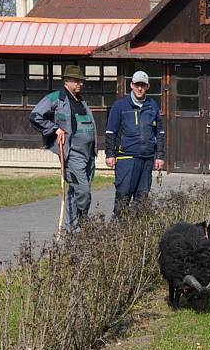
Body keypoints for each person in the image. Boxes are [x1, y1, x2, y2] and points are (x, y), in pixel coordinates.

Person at [29, 65, 97, 230]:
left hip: (88, 154)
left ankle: (72, 229)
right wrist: (54, 129)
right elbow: (35, 116)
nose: (80, 83)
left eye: (81, 81)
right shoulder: (56, 98)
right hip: (72, 153)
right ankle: (83, 221)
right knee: (83, 190)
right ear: (67, 81)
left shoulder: (81, 100)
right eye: (76, 80)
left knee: (75, 191)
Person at [105, 70, 165, 216]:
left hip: (147, 158)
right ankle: (119, 232)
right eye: (137, 84)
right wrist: (110, 154)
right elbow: (110, 132)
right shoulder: (120, 106)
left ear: (147, 87)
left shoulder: (152, 106)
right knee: (123, 196)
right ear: (131, 85)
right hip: (127, 158)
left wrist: (160, 155)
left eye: (142, 85)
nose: (139, 88)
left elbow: (160, 132)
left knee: (142, 198)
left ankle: (137, 234)